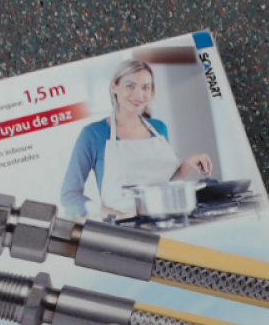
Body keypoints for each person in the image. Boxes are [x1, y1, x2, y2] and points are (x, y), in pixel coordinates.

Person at [61, 59, 213, 218]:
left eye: (146, 87)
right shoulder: (93, 134)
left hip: (169, 220)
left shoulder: (159, 128)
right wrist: (116, 215)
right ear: (114, 86)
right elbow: (69, 196)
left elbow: (165, 188)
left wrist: (187, 165)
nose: (139, 95)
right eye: (130, 86)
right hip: (125, 227)